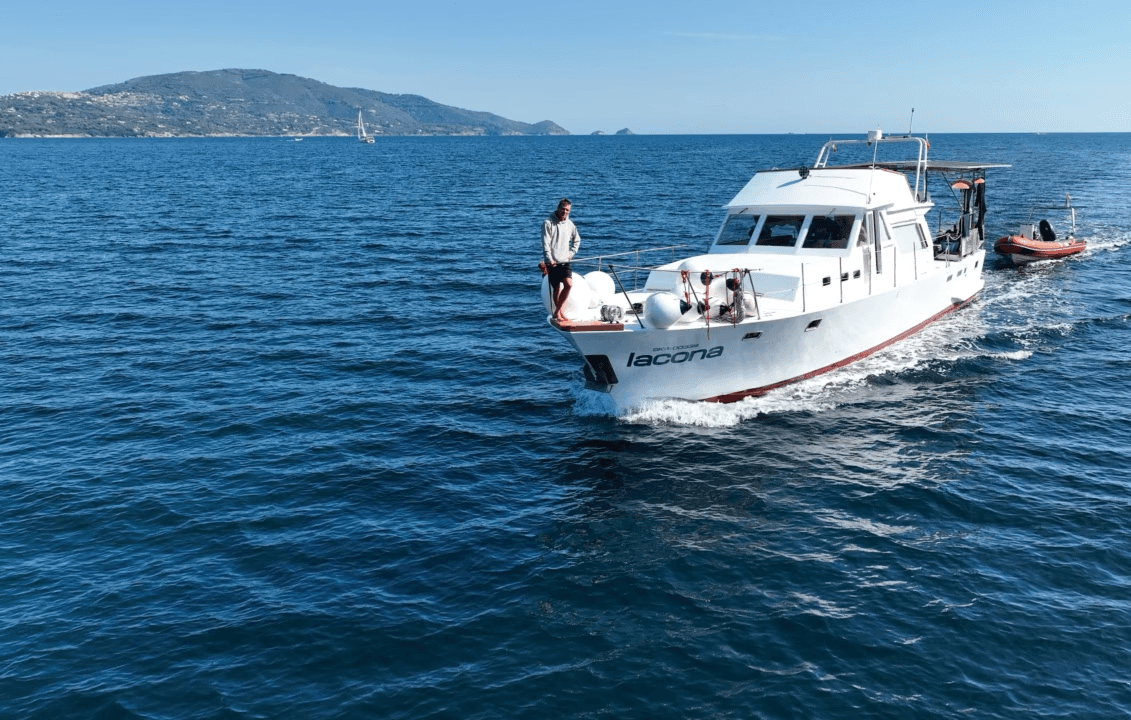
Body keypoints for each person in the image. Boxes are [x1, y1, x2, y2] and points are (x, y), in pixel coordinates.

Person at [541, 198, 581, 322]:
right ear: (558, 208)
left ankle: (557, 311)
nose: (565, 212)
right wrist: (549, 259)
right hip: (553, 262)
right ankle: (560, 313)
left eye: (567, 210)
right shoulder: (548, 223)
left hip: (565, 261)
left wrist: (571, 253)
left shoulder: (570, 224)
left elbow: (577, 239)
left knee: (569, 285)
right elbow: (545, 243)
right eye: (563, 209)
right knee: (556, 289)